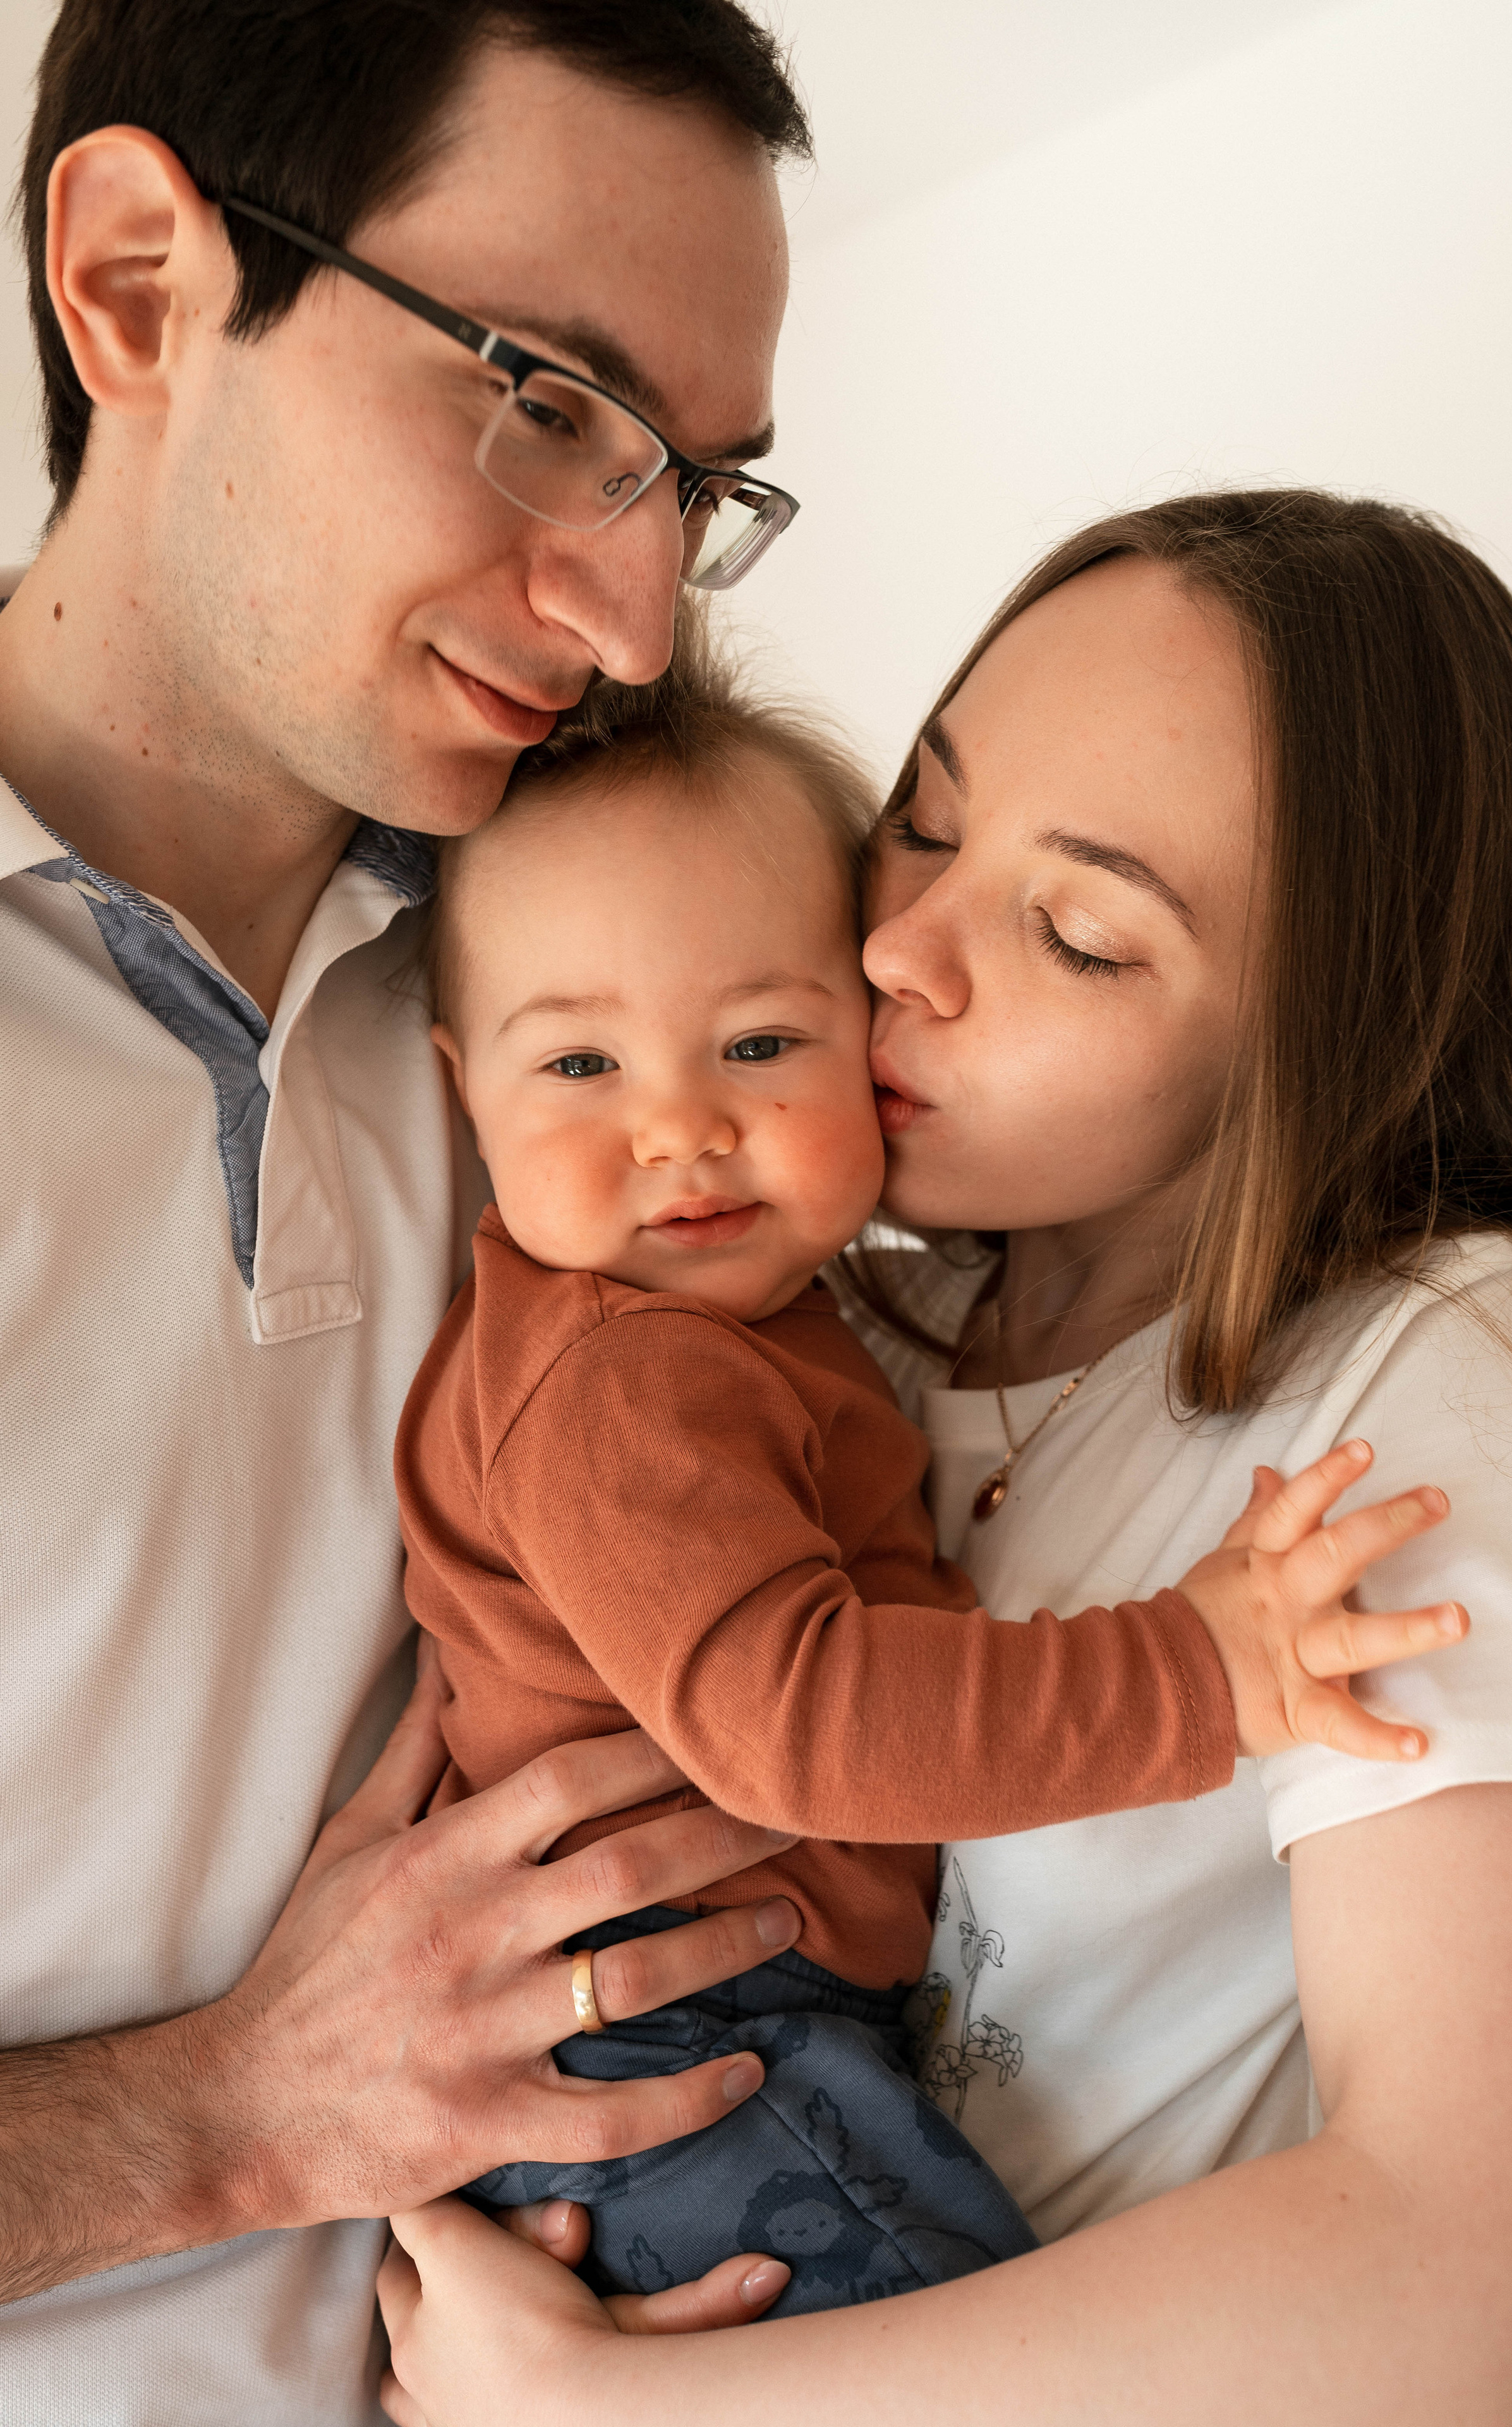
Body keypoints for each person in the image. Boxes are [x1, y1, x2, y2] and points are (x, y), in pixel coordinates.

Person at [377, 490, 1512, 2424]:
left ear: (1330, 1036)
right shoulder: (817, 1323)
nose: (901, 953)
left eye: (1076, 930)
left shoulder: (1443, 1374)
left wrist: (612, 2412)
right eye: (927, 824)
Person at [0, 4, 827, 2418]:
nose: (640, 621)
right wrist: (221, 2119)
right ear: (142, 279)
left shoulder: (595, 1002)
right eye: (547, 405)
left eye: (696, 483)